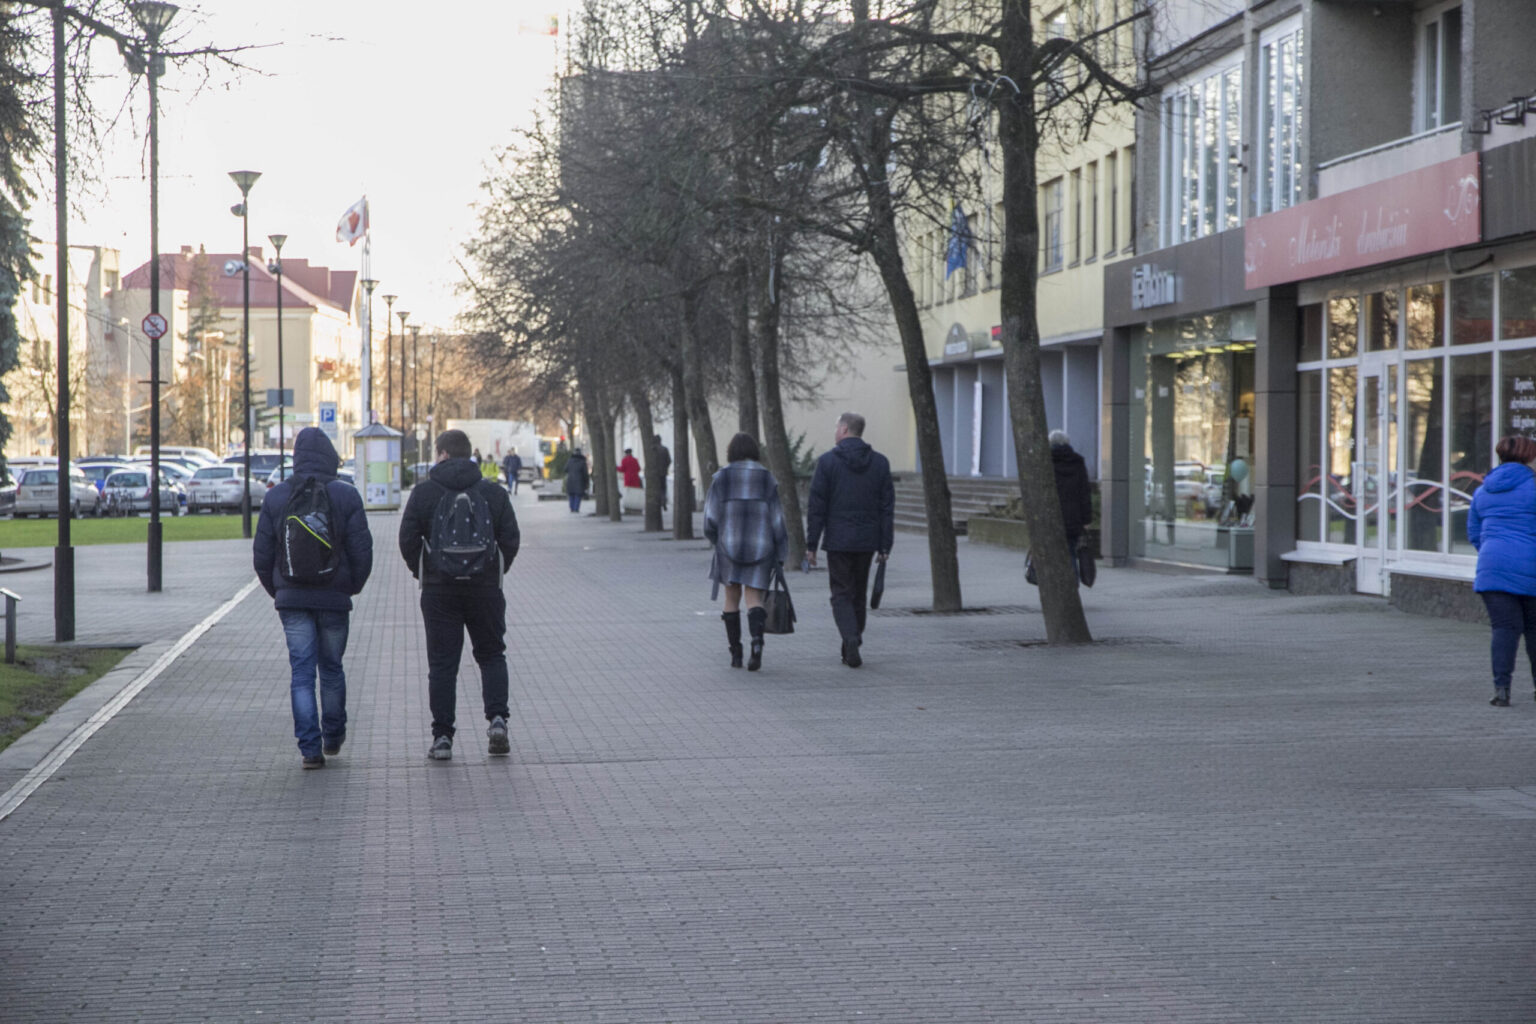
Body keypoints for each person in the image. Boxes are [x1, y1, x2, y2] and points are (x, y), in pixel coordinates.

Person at [252, 427, 373, 768]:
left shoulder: (277, 497)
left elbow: (262, 556)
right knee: (331, 669)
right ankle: (333, 736)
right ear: (330, 456)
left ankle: (309, 749)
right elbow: (362, 551)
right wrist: (350, 586)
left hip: (292, 600)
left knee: (302, 673)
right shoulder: (346, 495)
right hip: (334, 597)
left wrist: (279, 591)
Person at [399, 429, 521, 760]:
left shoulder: (424, 493)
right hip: (485, 589)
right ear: (468, 454)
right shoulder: (493, 493)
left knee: (442, 664)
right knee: (492, 654)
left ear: (442, 454)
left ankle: (443, 737)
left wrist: (426, 572)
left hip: (440, 591)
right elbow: (510, 538)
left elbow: (407, 540)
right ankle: (497, 720)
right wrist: (493, 571)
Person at [805, 412, 894, 668]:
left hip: (839, 540)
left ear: (844, 429)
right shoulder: (880, 463)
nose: (835, 432)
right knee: (858, 594)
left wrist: (812, 544)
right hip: (867, 540)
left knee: (841, 593)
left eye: (836, 427)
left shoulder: (827, 463)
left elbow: (817, 507)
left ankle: (850, 638)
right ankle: (852, 642)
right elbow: (887, 507)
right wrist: (885, 544)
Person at [705, 433, 789, 671]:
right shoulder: (766, 478)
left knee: (731, 598)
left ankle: (735, 653)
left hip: (728, 547)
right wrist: (781, 551)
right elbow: (777, 520)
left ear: (731, 452)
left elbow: (710, 519)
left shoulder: (721, 478)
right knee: (754, 599)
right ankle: (757, 643)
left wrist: (717, 540)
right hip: (760, 548)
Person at [1467, 434, 1536, 707]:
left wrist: (1494, 553)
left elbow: (1474, 532)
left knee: (1504, 629)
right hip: (1530, 566)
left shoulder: (1483, 490)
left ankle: (1502, 690)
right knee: (1534, 630)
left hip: (1492, 568)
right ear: (1528, 457)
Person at [1050, 429, 1095, 583]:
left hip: (1053, 516)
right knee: (1070, 550)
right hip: (1073, 517)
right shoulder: (1077, 461)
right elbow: (1084, 492)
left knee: (1054, 552)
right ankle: (1072, 581)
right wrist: (1087, 519)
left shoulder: (1046, 462)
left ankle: (1061, 584)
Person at [565, 447, 590, 513]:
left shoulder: (570, 461)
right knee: (578, 495)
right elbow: (585, 473)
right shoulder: (582, 462)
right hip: (579, 481)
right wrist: (586, 481)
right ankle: (576, 508)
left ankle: (572, 508)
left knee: (571, 495)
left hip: (570, 480)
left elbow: (565, 469)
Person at [653, 434, 671, 512]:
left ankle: (658, 502)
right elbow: (669, 460)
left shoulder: (653, 450)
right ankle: (663, 501)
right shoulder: (665, 449)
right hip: (663, 472)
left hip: (655, 473)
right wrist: (665, 467)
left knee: (656, 488)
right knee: (663, 488)